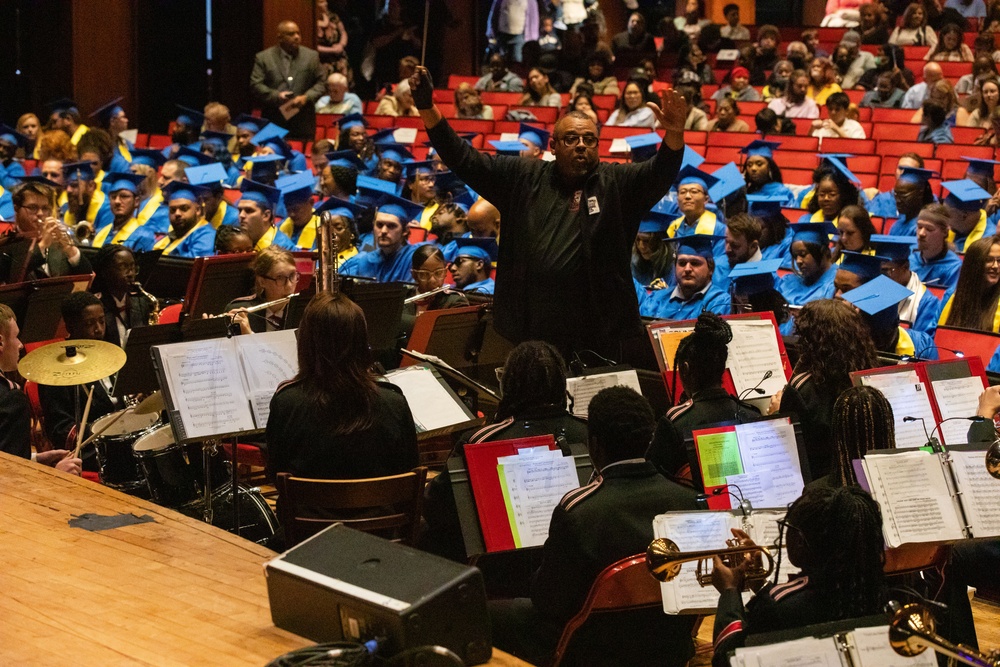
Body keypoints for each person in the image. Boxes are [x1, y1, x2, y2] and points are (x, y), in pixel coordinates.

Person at [411, 65, 688, 363]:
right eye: (571, 139)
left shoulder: (616, 183)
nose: (581, 145)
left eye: (589, 139)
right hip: (530, 327)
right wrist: (427, 108)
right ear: (554, 146)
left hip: (597, 332)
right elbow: (464, 158)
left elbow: (659, 173)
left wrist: (674, 134)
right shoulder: (523, 176)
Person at [489, 386, 700, 667]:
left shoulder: (578, 511)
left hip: (589, 653)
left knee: (487, 612)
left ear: (595, 445)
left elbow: (548, 602)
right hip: (669, 648)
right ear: (649, 440)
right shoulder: (691, 502)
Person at [421, 341, 589, 560]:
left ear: (508, 385)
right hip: (576, 559)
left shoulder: (479, 442)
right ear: (561, 384)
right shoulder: (591, 431)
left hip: (502, 566)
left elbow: (435, 507)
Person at [711, 485, 888, 667]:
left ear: (800, 543)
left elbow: (726, 658)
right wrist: (759, 584)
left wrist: (729, 591)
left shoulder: (780, 609)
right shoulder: (872, 589)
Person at [266, 292, 418, 484]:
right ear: (362, 342)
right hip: (382, 513)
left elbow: (275, 474)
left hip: (308, 513)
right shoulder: (393, 401)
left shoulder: (287, 402)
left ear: (306, 343)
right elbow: (409, 471)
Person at [647, 313, 761, 489]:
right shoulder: (752, 414)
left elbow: (652, 478)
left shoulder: (676, 423)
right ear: (723, 367)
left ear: (685, 369)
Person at [770, 298, 879, 478]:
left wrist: (777, 415)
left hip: (821, 482)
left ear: (812, 342)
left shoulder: (802, 390)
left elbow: (789, 452)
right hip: (868, 475)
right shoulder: (870, 377)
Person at [37, 292, 121, 463]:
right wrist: (107, 430)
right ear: (70, 327)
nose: (98, 329)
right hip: (92, 454)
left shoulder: (110, 355)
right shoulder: (56, 372)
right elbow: (61, 430)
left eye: (102, 321)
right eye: (89, 323)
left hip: (119, 441)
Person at [0, 303, 81, 475]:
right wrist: (55, 474)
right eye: (16, 337)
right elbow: (11, 478)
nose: (21, 345)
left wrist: (36, 460)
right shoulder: (10, 399)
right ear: (0, 341)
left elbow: (5, 456)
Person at [249, 20, 326, 140]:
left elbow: (322, 83)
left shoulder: (311, 56)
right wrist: (277, 95)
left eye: (298, 33)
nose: (296, 37)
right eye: (291, 34)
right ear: (280, 37)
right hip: (275, 118)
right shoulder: (264, 58)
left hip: (303, 120)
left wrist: (306, 97)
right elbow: (256, 84)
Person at [12, 180, 92, 280]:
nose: (40, 213)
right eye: (33, 207)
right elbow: (14, 275)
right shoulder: (7, 244)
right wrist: (43, 244)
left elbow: (87, 276)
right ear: (16, 209)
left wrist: (70, 249)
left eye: (45, 208)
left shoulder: (58, 242)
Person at [641, 235, 732, 320]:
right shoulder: (657, 299)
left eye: (695, 263)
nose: (687, 269)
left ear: (711, 268)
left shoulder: (720, 303)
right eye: (682, 263)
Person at [340, 194, 424, 282]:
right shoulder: (365, 261)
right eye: (379, 225)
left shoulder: (414, 259)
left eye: (391, 226)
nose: (383, 231)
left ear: (405, 230)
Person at [872, 235, 943, 335]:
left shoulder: (926, 302)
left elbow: (923, 344)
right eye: (878, 271)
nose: (882, 278)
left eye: (886, 271)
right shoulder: (872, 292)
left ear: (905, 267)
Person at [225, 247, 299, 335]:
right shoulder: (240, 313)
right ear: (262, 281)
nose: (289, 285)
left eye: (292, 275)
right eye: (280, 278)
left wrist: (249, 335)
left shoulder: (304, 312)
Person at [939, 235, 1000, 331]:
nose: (996, 266)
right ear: (974, 265)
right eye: (989, 260)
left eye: (999, 261)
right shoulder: (951, 296)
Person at [778, 223, 840, 306]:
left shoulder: (836, 285)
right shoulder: (788, 282)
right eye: (795, 256)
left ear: (823, 252)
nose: (798, 261)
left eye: (803, 254)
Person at [667, 165, 729, 239]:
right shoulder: (673, 228)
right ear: (677, 199)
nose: (687, 196)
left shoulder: (719, 230)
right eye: (682, 192)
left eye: (694, 191)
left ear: (706, 199)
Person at [911, 203, 964, 290]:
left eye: (929, 229)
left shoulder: (954, 268)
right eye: (919, 227)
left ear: (945, 232)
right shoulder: (909, 258)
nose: (921, 233)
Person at [235, 179, 296, 252]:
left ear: (266, 215)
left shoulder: (284, 249)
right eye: (240, 210)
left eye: (249, 211)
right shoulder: (239, 245)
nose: (241, 215)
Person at [91, 172, 145, 248]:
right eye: (113, 197)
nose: (117, 201)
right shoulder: (101, 232)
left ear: (136, 202)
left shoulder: (143, 236)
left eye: (124, 196)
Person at [942, 178, 996, 253]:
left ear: (964, 216)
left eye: (947, 216)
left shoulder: (990, 240)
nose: (944, 220)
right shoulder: (957, 228)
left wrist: (953, 251)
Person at [487, 0, 539, 64]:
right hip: (502, 35)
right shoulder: (499, 1)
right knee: (502, 60)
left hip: (519, 36)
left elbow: (534, 19)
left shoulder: (530, 1)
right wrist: (491, 32)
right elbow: (493, 14)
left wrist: (533, 38)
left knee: (517, 59)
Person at [632, 212, 674, 287]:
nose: (641, 246)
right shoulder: (635, 265)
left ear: (660, 242)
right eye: (638, 240)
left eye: (647, 241)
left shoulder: (674, 270)